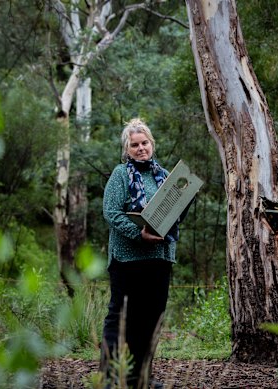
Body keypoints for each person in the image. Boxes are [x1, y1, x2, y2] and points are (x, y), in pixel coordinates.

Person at [101, 118, 179, 389]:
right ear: (127, 149)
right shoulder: (120, 175)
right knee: (122, 319)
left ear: (152, 144)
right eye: (135, 145)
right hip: (127, 259)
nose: (141, 148)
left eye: (144, 143)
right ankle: (112, 377)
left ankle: (140, 378)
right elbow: (111, 213)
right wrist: (139, 233)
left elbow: (175, 211)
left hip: (159, 258)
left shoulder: (167, 176)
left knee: (150, 319)